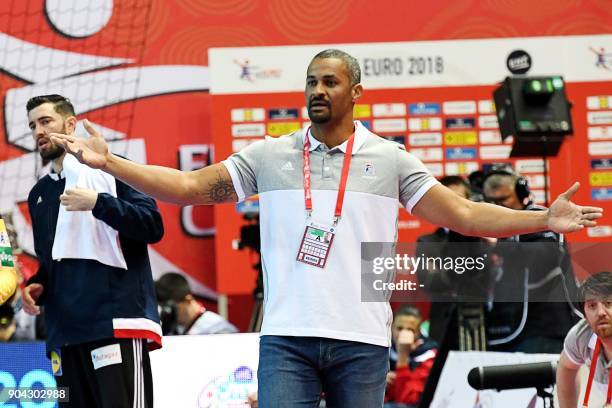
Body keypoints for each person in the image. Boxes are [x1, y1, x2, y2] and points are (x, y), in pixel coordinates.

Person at [50, 49, 602, 408]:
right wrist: (111, 164)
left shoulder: (390, 159)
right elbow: (191, 187)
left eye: (330, 81)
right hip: (287, 338)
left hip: (361, 341)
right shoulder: (270, 154)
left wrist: (542, 219)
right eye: (312, 81)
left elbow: (461, 215)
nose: (317, 90)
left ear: (355, 91)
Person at [23, 94, 164, 407]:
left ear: (71, 124)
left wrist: (98, 203)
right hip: (65, 336)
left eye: (46, 121)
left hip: (113, 325)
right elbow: (52, 263)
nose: (38, 132)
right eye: (33, 125)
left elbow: (152, 225)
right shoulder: (39, 195)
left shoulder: (111, 169)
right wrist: (38, 287)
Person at [482, 164, 580, 353]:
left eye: (503, 199)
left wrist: (498, 246)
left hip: (543, 330)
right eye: (491, 201)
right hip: (501, 329)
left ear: (521, 193)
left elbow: (545, 257)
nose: (497, 206)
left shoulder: (541, 217)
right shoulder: (486, 226)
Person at [556, 271, 612, 408]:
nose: (600, 312)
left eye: (608, 303)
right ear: (585, 316)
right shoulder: (581, 336)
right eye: (592, 305)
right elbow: (566, 367)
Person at [385, 305, 437, 408]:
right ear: (391, 328)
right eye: (399, 328)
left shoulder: (429, 355)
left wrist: (403, 356)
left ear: (418, 332)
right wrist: (381, 381)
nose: (402, 334)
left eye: (410, 329)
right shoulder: (383, 348)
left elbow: (406, 400)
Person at [155, 272, 238, 335]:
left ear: (188, 300)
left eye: (170, 308)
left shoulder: (217, 328)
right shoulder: (171, 329)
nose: (168, 313)